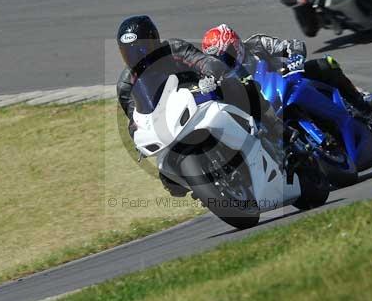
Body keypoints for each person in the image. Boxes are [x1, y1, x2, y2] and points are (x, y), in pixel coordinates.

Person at [116, 16, 297, 196]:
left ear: (153, 40)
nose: (137, 56)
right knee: (168, 178)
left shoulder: (173, 49)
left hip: (203, 96)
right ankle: (205, 185)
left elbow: (202, 61)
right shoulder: (126, 84)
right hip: (170, 123)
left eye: (141, 48)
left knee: (241, 85)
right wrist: (137, 134)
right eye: (129, 52)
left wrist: (212, 74)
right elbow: (135, 117)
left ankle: (277, 128)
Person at [201, 24, 372, 118]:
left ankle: (361, 102)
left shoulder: (257, 44)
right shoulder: (221, 75)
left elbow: (292, 45)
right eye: (220, 59)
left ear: (236, 43)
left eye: (228, 54)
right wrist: (207, 90)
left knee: (326, 64)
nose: (227, 60)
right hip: (268, 106)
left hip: (292, 79)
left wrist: (294, 57)